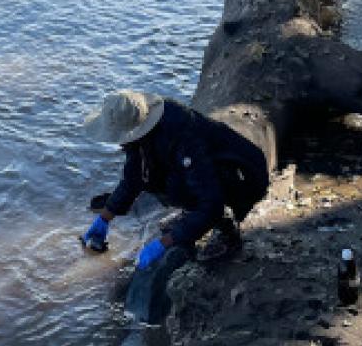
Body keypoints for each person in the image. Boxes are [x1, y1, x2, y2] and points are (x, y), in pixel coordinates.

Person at [80, 90, 269, 270]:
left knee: (175, 188)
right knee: (153, 180)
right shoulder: (142, 128)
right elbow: (133, 176)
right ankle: (193, 217)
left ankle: (226, 231)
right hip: (208, 172)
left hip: (244, 178)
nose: (119, 142)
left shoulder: (182, 135)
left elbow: (211, 201)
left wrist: (165, 242)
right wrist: (105, 218)